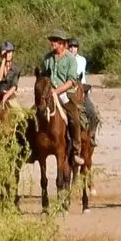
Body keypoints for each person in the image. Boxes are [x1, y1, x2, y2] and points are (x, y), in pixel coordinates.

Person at [41, 31, 86, 164]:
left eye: (56, 41)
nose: (53, 43)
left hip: (66, 93)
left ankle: (76, 150)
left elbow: (72, 81)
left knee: (75, 118)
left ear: (63, 44)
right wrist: (48, 90)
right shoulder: (47, 58)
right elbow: (44, 76)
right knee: (35, 113)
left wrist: (57, 91)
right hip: (49, 93)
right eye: (52, 41)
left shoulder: (70, 59)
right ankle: (33, 147)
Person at [66, 37, 100, 133]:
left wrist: (84, 89)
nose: (73, 48)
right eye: (71, 46)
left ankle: (91, 135)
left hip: (82, 90)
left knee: (92, 113)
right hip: (68, 90)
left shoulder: (82, 60)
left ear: (78, 48)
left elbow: (80, 76)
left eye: (75, 46)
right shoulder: (65, 59)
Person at [0, 41, 19, 110]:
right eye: (6, 53)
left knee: (21, 115)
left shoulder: (16, 69)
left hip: (10, 96)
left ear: (13, 53)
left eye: (10, 52)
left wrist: (5, 97)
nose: (8, 54)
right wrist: (3, 60)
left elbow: (14, 86)